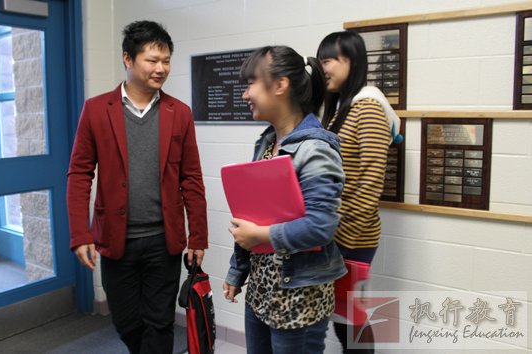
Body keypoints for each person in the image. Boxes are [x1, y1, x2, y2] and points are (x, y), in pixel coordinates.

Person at [66, 20, 208, 354]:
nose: (161, 69)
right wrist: (80, 234)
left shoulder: (180, 113)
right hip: (117, 240)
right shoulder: (97, 109)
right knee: (127, 322)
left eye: (166, 61)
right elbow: (79, 174)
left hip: (164, 241)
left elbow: (192, 178)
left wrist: (198, 236)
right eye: (152, 60)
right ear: (128, 60)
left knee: (159, 322)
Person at [222, 46, 347, 354]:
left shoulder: (316, 149)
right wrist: (237, 271)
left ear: (280, 85)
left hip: (298, 296)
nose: (245, 94)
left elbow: (321, 226)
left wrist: (260, 236)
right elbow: (253, 216)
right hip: (262, 291)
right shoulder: (267, 143)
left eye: (251, 82)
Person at [317, 30, 401, 353]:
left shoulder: (367, 107)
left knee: (350, 318)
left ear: (353, 61)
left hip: (352, 235)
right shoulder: (341, 108)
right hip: (334, 232)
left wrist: (339, 238)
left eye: (330, 60)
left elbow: (370, 181)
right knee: (342, 316)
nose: (324, 68)